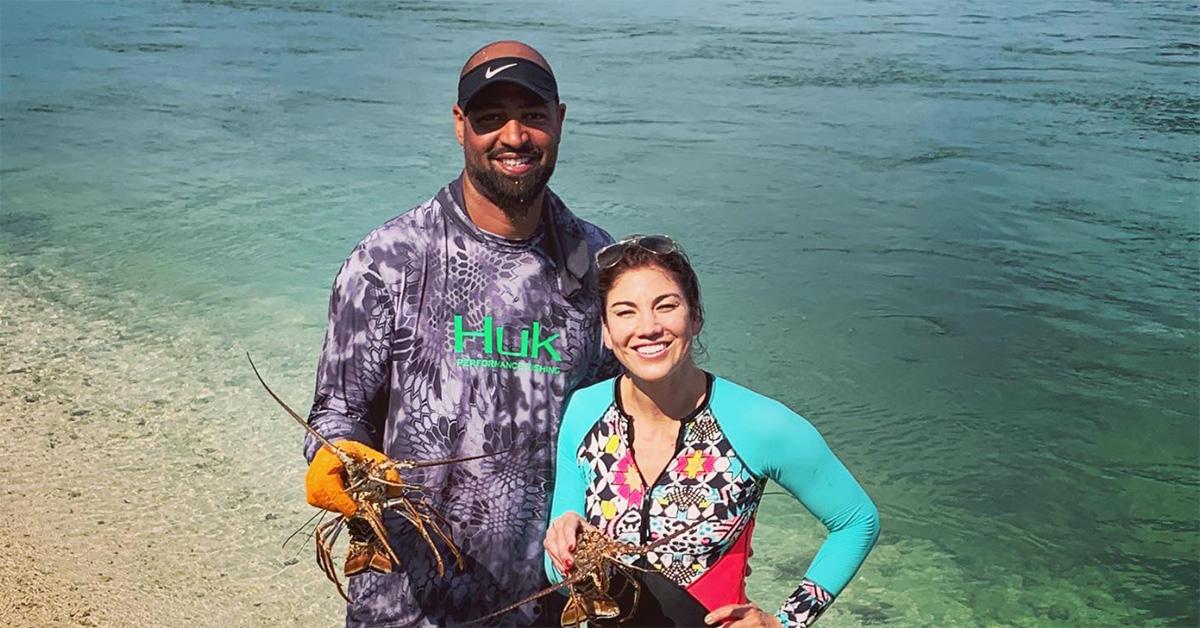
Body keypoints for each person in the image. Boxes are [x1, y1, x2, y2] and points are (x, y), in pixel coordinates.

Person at [302, 40, 617, 626]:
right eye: (491, 118)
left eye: (534, 116)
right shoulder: (389, 260)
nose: (515, 136)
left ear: (561, 121)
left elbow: (630, 425)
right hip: (405, 604)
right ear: (459, 125)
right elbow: (337, 411)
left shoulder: (600, 265)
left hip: (548, 604)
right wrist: (336, 457)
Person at [543, 236, 880, 627]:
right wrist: (563, 548)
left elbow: (856, 520)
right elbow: (561, 581)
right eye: (625, 312)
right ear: (605, 329)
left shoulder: (759, 423)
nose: (648, 328)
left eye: (666, 306)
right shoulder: (585, 411)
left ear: (695, 315)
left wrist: (786, 622)